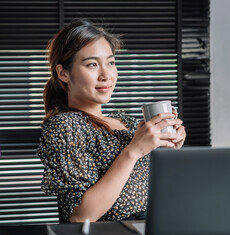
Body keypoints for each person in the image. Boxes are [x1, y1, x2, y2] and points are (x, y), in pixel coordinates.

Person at [37, 19, 186, 223]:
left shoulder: (127, 122)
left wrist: (169, 150)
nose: (106, 75)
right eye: (92, 64)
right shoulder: (65, 126)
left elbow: (152, 191)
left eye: (111, 62)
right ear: (63, 73)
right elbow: (80, 216)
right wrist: (134, 151)